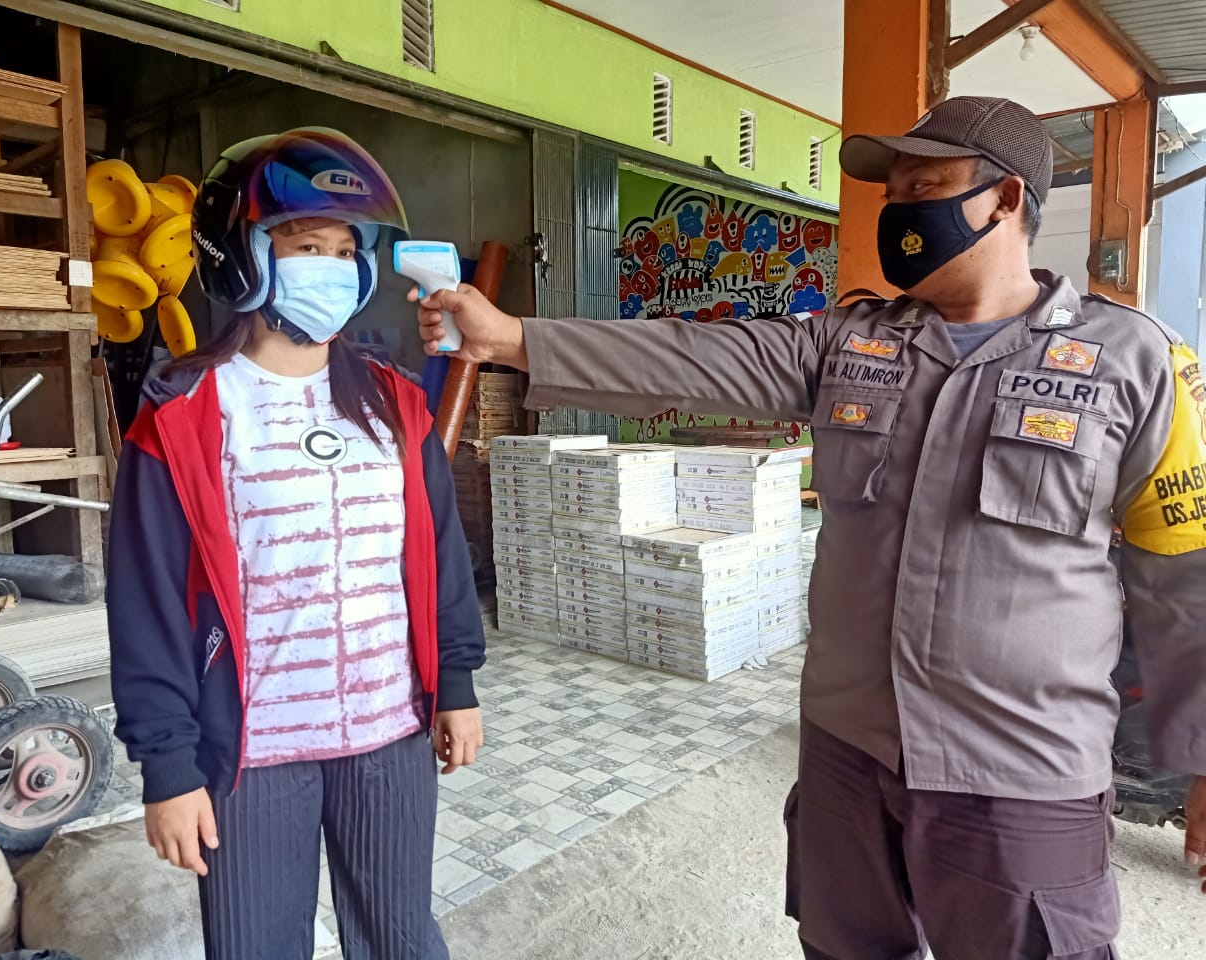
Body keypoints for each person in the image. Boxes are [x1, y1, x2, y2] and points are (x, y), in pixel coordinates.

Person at [413, 97, 1206, 957]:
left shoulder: (1136, 361)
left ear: (1006, 199)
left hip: (1021, 774)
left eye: (925, 188)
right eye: (894, 193)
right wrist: (512, 337)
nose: (901, 212)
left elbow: (1185, 580)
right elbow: (694, 357)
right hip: (848, 754)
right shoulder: (848, 343)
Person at [107, 128, 485, 960]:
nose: (332, 267)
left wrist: (455, 683)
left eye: (346, 251)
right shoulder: (182, 416)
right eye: (307, 247)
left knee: (401, 941)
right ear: (241, 257)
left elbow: (437, 551)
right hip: (251, 756)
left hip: (389, 734)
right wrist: (167, 767)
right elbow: (145, 605)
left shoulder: (393, 403)